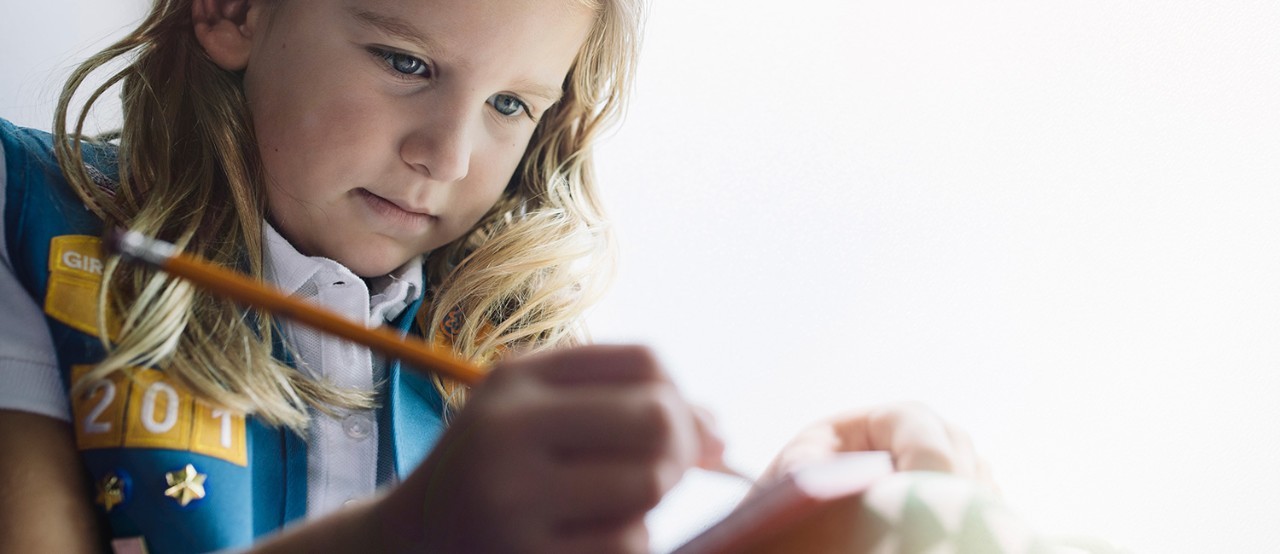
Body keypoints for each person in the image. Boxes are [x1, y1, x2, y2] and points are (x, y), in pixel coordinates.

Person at [0, 0, 991, 552]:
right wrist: (405, 539)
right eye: (406, 63)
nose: (449, 152)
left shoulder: (505, 353)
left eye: (512, 104)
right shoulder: (23, 213)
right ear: (231, 8)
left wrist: (778, 532)